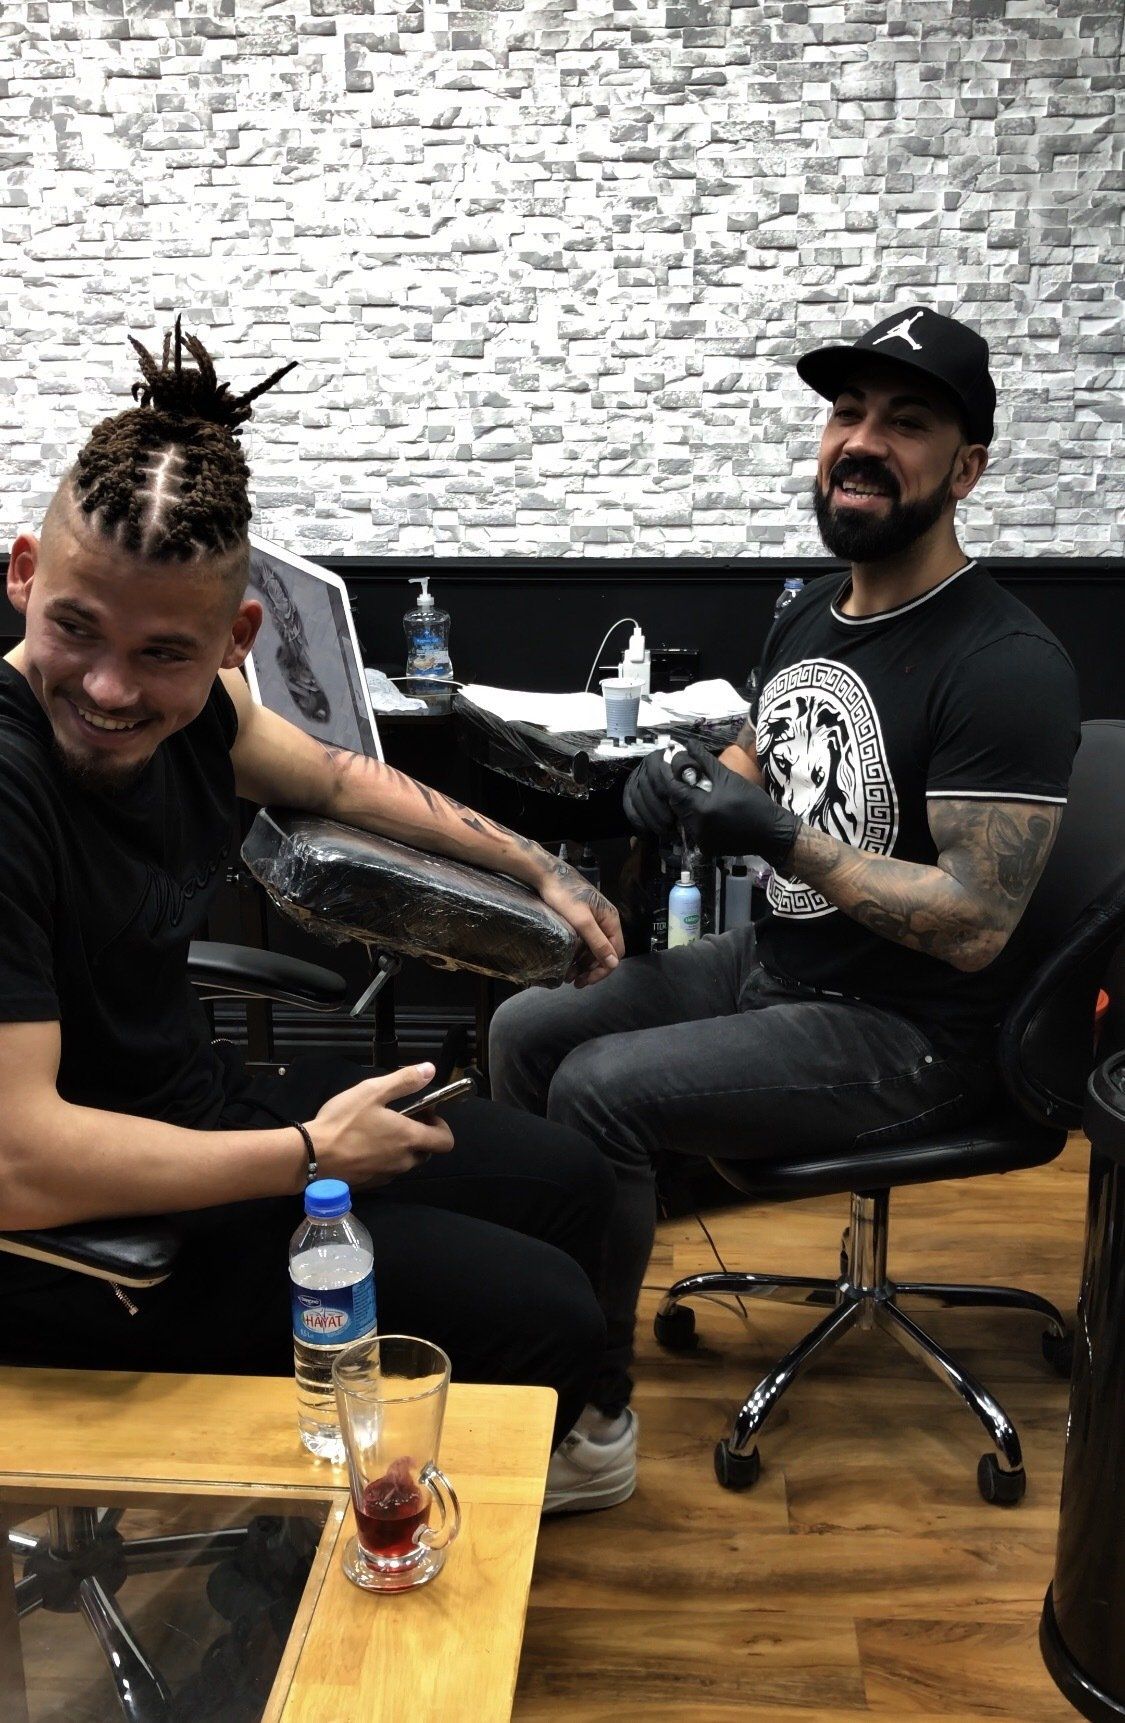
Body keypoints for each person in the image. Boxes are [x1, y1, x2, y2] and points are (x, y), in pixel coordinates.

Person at [0, 320, 629, 1511]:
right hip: (91, 1245)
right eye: (76, 628)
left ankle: (560, 1450)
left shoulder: (206, 716)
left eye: (164, 653)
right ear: (24, 571)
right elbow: (16, 1163)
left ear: (233, 644)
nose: (111, 689)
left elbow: (338, 780)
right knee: (539, 1309)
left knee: (568, 1179)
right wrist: (309, 1154)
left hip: (200, 1121)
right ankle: (292, 1565)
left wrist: (541, 865)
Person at [490, 305, 1082, 1502]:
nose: (861, 440)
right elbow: (762, 760)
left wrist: (776, 837)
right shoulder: (814, 610)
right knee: (525, 1028)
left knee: (600, 1088)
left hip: (918, 1033)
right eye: (846, 412)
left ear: (966, 469)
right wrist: (684, 790)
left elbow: (975, 923)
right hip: (783, 966)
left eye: (906, 423)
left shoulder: (1005, 664)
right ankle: (530, 1342)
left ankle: (589, 1421)